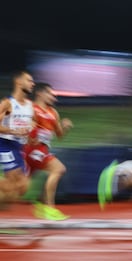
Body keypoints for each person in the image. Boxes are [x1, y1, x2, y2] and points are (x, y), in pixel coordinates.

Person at [23, 83, 73, 220]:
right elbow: (21, 128)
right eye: (50, 94)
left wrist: (64, 126)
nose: (53, 97)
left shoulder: (53, 113)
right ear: (40, 94)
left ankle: (41, 205)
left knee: (19, 187)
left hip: (42, 150)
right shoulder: (31, 109)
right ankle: (49, 208)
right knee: (58, 169)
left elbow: (59, 135)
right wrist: (29, 131)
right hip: (31, 149)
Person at [0, 70, 35, 205]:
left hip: (19, 147)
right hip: (5, 145)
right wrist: (14, 131)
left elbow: (31, 123)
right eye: (29, 80)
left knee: (19, 190)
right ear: (18, 82)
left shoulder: (30, 106)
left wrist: (31, 131)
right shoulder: (8, 103)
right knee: (20, 183)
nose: (32, 83)